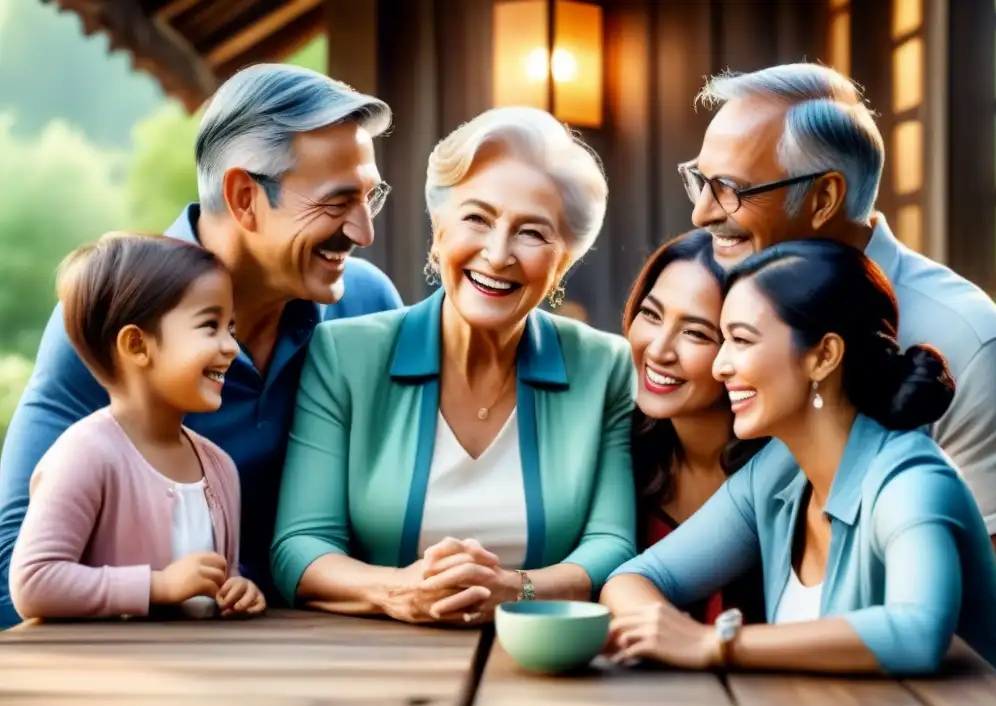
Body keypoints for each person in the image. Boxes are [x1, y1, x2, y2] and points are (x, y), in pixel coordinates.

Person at [0, 64, 403, 625]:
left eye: (371, 196)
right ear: (243, 197)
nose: (364, 232)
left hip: (347, 652)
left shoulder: (368, 305)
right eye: (337, 202)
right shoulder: (113, 317)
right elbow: (14, 566)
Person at [682, 63, 996, 636]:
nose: (701, 213)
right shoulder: (725, 285)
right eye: (701, 181)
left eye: (731, 190)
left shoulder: (968, 341)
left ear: (823, 199)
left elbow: (985, 617)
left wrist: (734, 653)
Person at [270, 106, 636, 625]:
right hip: (370, 660)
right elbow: (299, 547)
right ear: (439, 230)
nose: (498, 252)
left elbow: (612, 544)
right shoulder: (343, 355)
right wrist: (398, 589)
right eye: (477, 218)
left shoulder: (603, 366)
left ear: (564, 261)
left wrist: (515, 591)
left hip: (542, 659)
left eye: (532, 232)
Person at [601, 240, 996, 688]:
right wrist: (667, 635)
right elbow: (635, 576)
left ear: (824, 356)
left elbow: (918, 631)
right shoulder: (777, 474)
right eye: (722, 340)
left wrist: (714, 643)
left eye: (741, 340)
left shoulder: (911, 480)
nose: (722, 365)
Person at [9, 234, 265, 621]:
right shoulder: (85, 455)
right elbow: (34, 583)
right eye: (210, 326)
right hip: (114, 676)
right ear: (136, 346)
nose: (231, 346)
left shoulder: (220, 467)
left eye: (230, 328)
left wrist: (237, 588)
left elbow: (215, 582)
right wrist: (157, 586)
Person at [624, 229, 766, 625]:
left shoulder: (781, 472)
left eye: (695, 333)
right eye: (651, 315)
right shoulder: (619, 446)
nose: (658, 350)